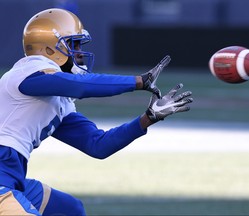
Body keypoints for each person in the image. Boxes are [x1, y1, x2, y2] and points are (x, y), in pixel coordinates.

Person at [0, 8, 193, 215]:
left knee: (70, 210)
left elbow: (97, 145)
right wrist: (138, 81)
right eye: (73, 44)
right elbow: (80, 86)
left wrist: (148, 118)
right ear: (48, 49)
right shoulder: (26, 73)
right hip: (3, 178)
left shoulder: (58, 99)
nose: (80, 53)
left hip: (12, 175)